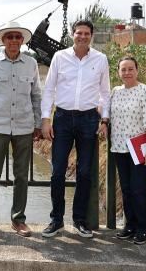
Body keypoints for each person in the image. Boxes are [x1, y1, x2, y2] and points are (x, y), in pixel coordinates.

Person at [40, 19, 110, 238]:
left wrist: (105, 120)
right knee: (57, 170)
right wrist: (45, 119)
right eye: (79, 33)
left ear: (92, 35)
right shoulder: (60, 57)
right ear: (73, 35)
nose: (82, 36)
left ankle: (80, 220)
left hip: (89, 119)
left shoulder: (100, 59)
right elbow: (49, 89)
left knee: (85, 172)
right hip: (62, 117)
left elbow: (105, 93)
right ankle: (56, 220)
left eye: (86, 33)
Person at [0, 21, 42, 238]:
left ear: (22, 41)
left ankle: (18, 220)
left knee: (21, 175)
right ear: (3, 40)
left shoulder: (31, 64)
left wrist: (38, 124)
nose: (14, 40)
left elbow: (36, 96)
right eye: (9, 37)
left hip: (24, 127)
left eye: (17, 37)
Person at [102, 56, 146, 245]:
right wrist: (103, 122)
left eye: (130, 69)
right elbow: (107, 112)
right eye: (123, 69)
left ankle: (143, 227)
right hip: (120, 148)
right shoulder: (115, 92)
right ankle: (130, 225)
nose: (127, 73)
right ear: (118, 72)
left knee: (138, 188)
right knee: (127, 189)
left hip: (141, 149)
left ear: (137, 70)